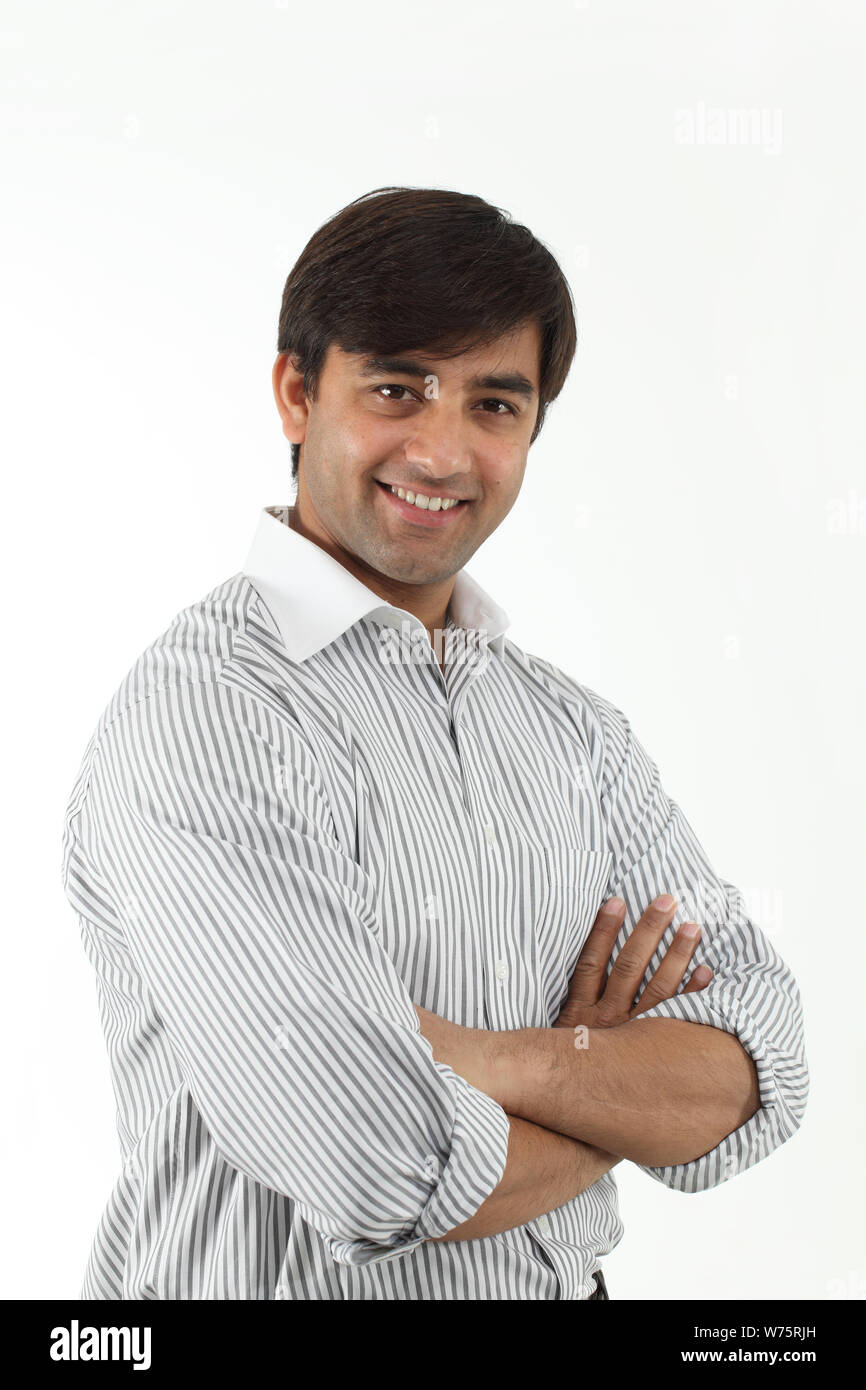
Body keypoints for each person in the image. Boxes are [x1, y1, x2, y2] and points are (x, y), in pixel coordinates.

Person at [60, 186, 808, 1301]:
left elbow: (762, 1070)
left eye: (493, 405)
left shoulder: (571, 732)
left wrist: (487, 1058)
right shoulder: (207, 719)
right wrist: (616, 1103)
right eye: (397, 387)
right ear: (296, 392)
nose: (444, 449)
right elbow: (377, 1169)